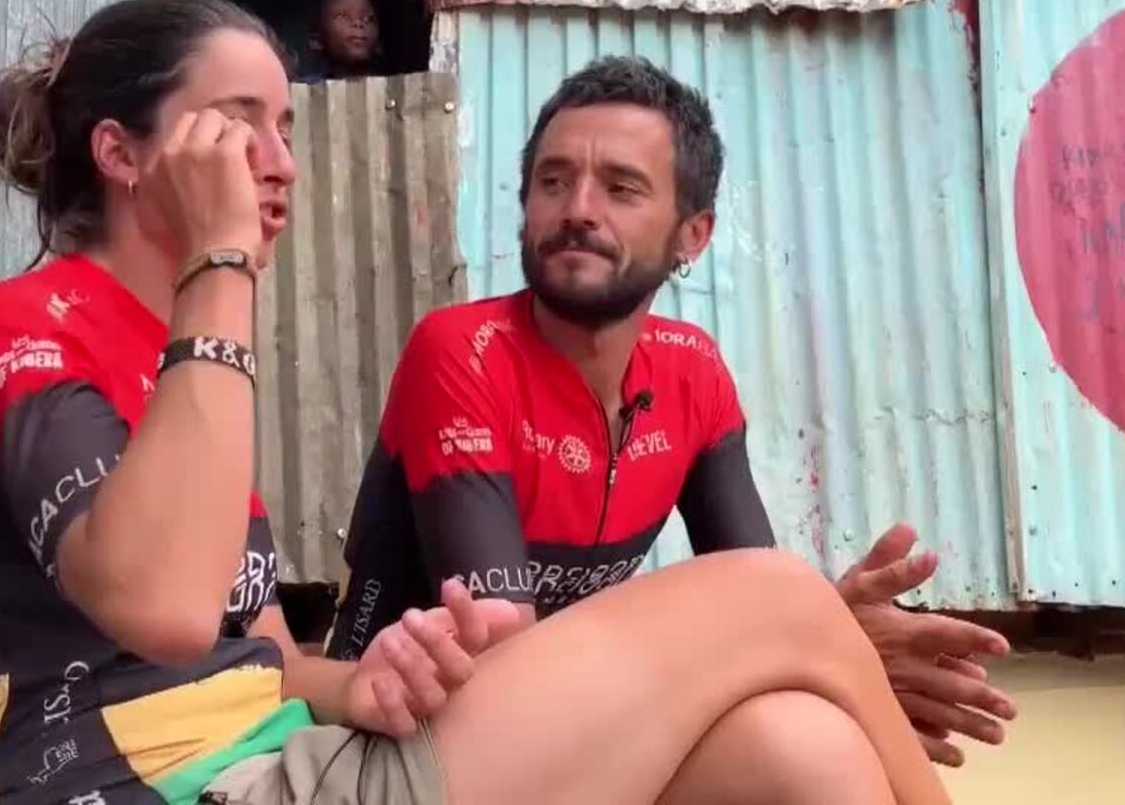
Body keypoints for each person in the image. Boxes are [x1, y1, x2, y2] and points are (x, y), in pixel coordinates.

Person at [0, 0, 953, 805]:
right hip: (159, 788)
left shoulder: (184, 357)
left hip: (286, 754)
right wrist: (219, 259)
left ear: (693, 235)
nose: (281, 163)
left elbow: (261, 661)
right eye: (239, 126)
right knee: (774, 596)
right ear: (121, 153)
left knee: (798, 752)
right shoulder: (29, 329)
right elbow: (170, 613)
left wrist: (365, 683)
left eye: (285, 127)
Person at [323, 55, 1017, 768]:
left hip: (577, 731)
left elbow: (754, 600)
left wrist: (823, 642)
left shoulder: (694, 373)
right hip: (404, 741)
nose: (577, 208)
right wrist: (824, 641)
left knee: (811, 743)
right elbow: (508, 656)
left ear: (693, 235)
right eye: (553, 182)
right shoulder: (461, 351)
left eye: (620, 187)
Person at [297, 0, 381, 82]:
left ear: (378, 42)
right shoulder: (305, 88)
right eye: (342, 16)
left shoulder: (393, 86)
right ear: (317, 41)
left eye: (368, 18)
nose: (358, 23)